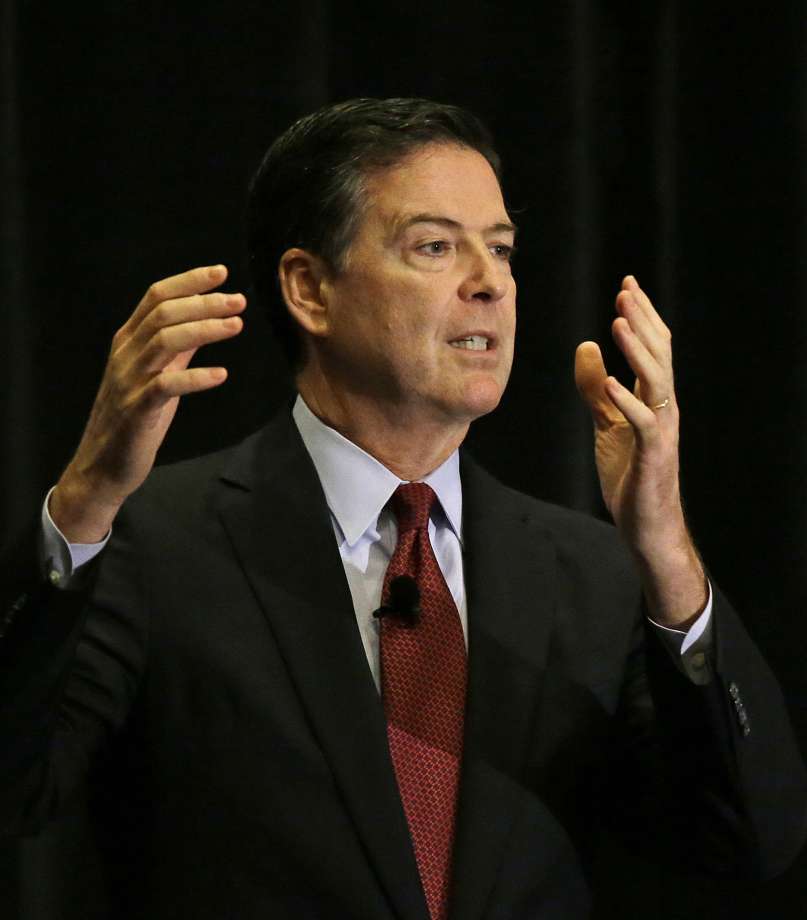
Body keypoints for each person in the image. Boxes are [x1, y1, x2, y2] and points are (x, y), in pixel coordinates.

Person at [1, 98, 805, 920]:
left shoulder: (590, 572)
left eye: (500, 250)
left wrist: (668, 552)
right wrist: (86, 500)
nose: (489, 282)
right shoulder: (149, 541)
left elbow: (747, 837)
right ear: (310, 289)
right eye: (435, 246)